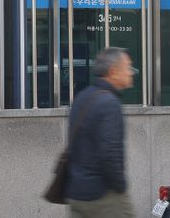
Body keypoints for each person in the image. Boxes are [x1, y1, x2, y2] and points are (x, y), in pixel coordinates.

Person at [65, 47, 136, 218]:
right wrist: (121, 186)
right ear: (113, 72)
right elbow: (109, 154)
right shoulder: (109, 103)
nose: (131, 72)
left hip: (76, 192)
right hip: (103, 198)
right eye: (127, 67)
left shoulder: (82, 97)